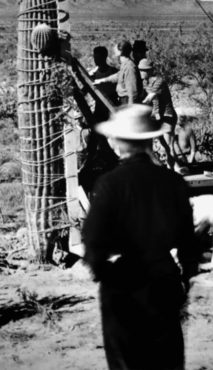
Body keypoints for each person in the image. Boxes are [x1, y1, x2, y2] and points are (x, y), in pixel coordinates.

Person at [82, 105, 198, 370]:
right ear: (149, 140)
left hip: (124, 284)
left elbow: (93, 241)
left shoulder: (110, 184)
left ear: (118, 143)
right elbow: (189, 243)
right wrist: (185, 282)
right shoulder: (174, 182)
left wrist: (104, 273)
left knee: (127, 361)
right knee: (166, 360)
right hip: (164, 279)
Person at [139, 58, 180, 168]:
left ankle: (171, 172)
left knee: (169, 146)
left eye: (144, 70)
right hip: (158, 117)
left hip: (167, 116)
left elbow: (149, 98)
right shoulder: (144, 82)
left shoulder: (159, 81)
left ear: (151, 70)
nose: (141, 72)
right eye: (140, 70)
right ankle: (176, 168)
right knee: (165, 146)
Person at [94, 40, 143, 105]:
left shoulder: (129, 66)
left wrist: (131, 108)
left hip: (128, 100)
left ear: (120, 52)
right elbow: (118, 76)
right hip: (124, 99)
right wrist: (101, 80)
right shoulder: (125, 64)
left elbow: (132, 91)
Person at [87, 46, 120, 120]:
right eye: (94, 57)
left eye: (98, 57)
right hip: (99, 106)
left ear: (104, 57)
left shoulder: (113, 72)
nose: (95, 60)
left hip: (113, 105)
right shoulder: (93, 74)